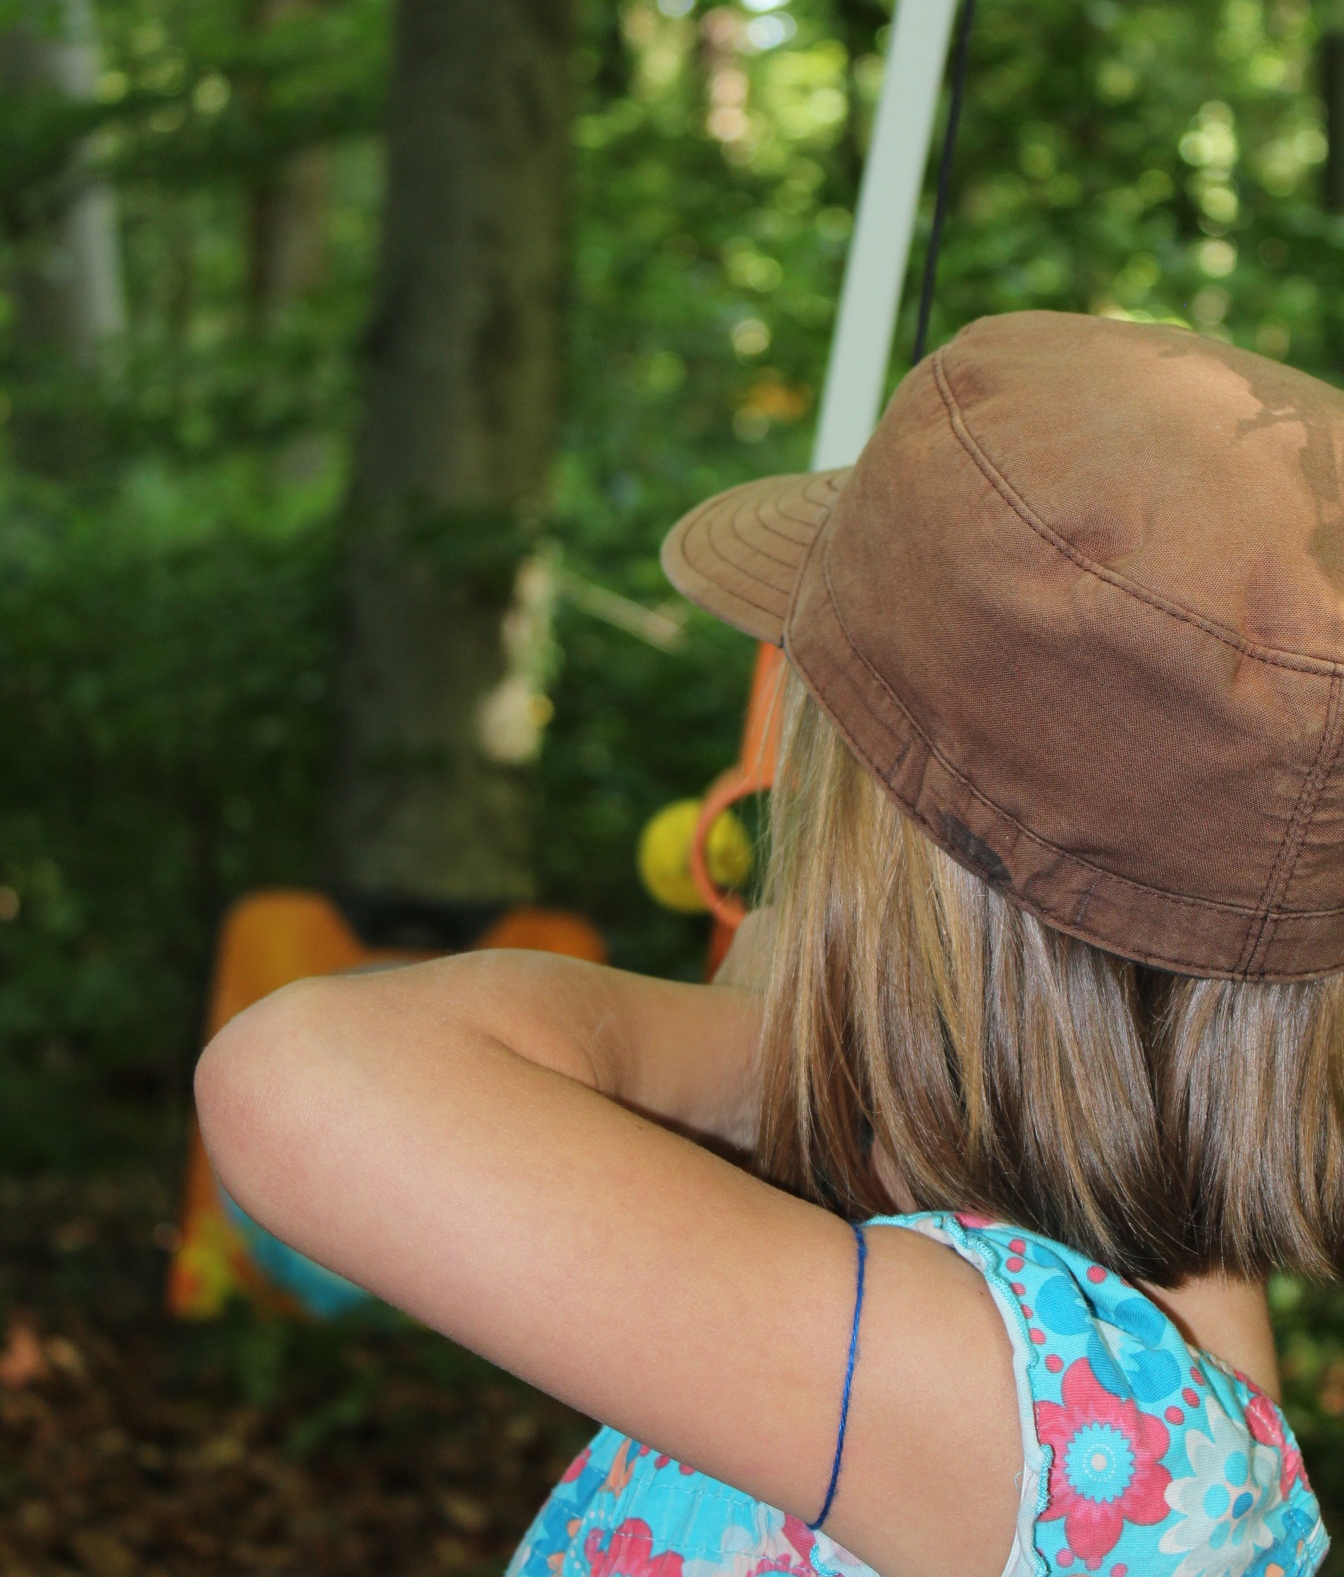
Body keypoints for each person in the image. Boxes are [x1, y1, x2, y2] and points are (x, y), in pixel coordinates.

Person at [196, 310, 1341, 1577]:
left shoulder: (1014, 1416)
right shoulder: (1156, 1371)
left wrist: (792, 1038)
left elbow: (297, 1073)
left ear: (892, 860)